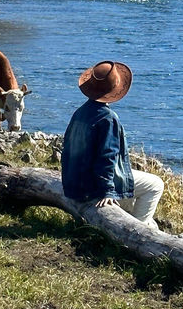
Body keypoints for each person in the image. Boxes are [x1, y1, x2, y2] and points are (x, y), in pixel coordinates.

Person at [61, 60, 164, 227]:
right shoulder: (108, 118)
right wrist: (107, 190)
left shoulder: (80, 112)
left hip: (74, 184)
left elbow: (67, 149)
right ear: (115, 90)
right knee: (155, 184)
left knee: (133, 189)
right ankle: (138, 230)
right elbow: (107, 156)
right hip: (92, 187)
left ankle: (143, 223)